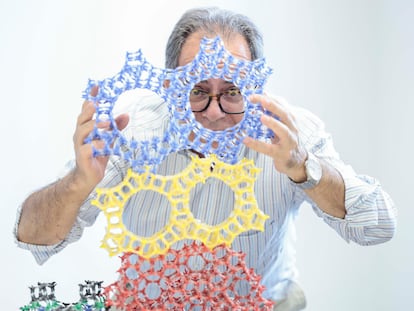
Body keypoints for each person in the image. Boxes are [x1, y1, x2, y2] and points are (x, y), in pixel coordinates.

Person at [14, 6, 396, 311]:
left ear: (255, 85)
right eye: (197, 90)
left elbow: (377, 227)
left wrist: (306, 168)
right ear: (169, 86)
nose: (213, 113)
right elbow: (33, 238)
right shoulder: (131, 132)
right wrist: (77, 184)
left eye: (231, 91)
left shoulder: (292, 137)